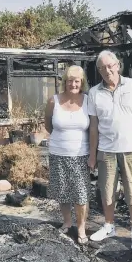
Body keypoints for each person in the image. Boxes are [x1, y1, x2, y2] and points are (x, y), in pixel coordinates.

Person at [87, 50, 132, 250]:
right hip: (106, 150)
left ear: (117, 65)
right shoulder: (94, 93)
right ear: (99, 71)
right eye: (102, 68)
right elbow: (94, 127)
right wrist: (92, 154)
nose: (107, 70)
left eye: (110, 66)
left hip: (131, 149)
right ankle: (109, 225)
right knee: (107, 192)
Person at [45, 65, 91, 245]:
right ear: (65, 82)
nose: (73, 84)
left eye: (77, 81)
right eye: (70, 80)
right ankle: (67, 222)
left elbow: (93, 128)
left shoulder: (87, 101)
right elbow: (48, 125)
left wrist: (93, 154)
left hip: (81, 155)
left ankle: (81, 227)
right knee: (63, 191)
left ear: (82, 83)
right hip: (58, 153)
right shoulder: (53, 101)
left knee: (81, 194)